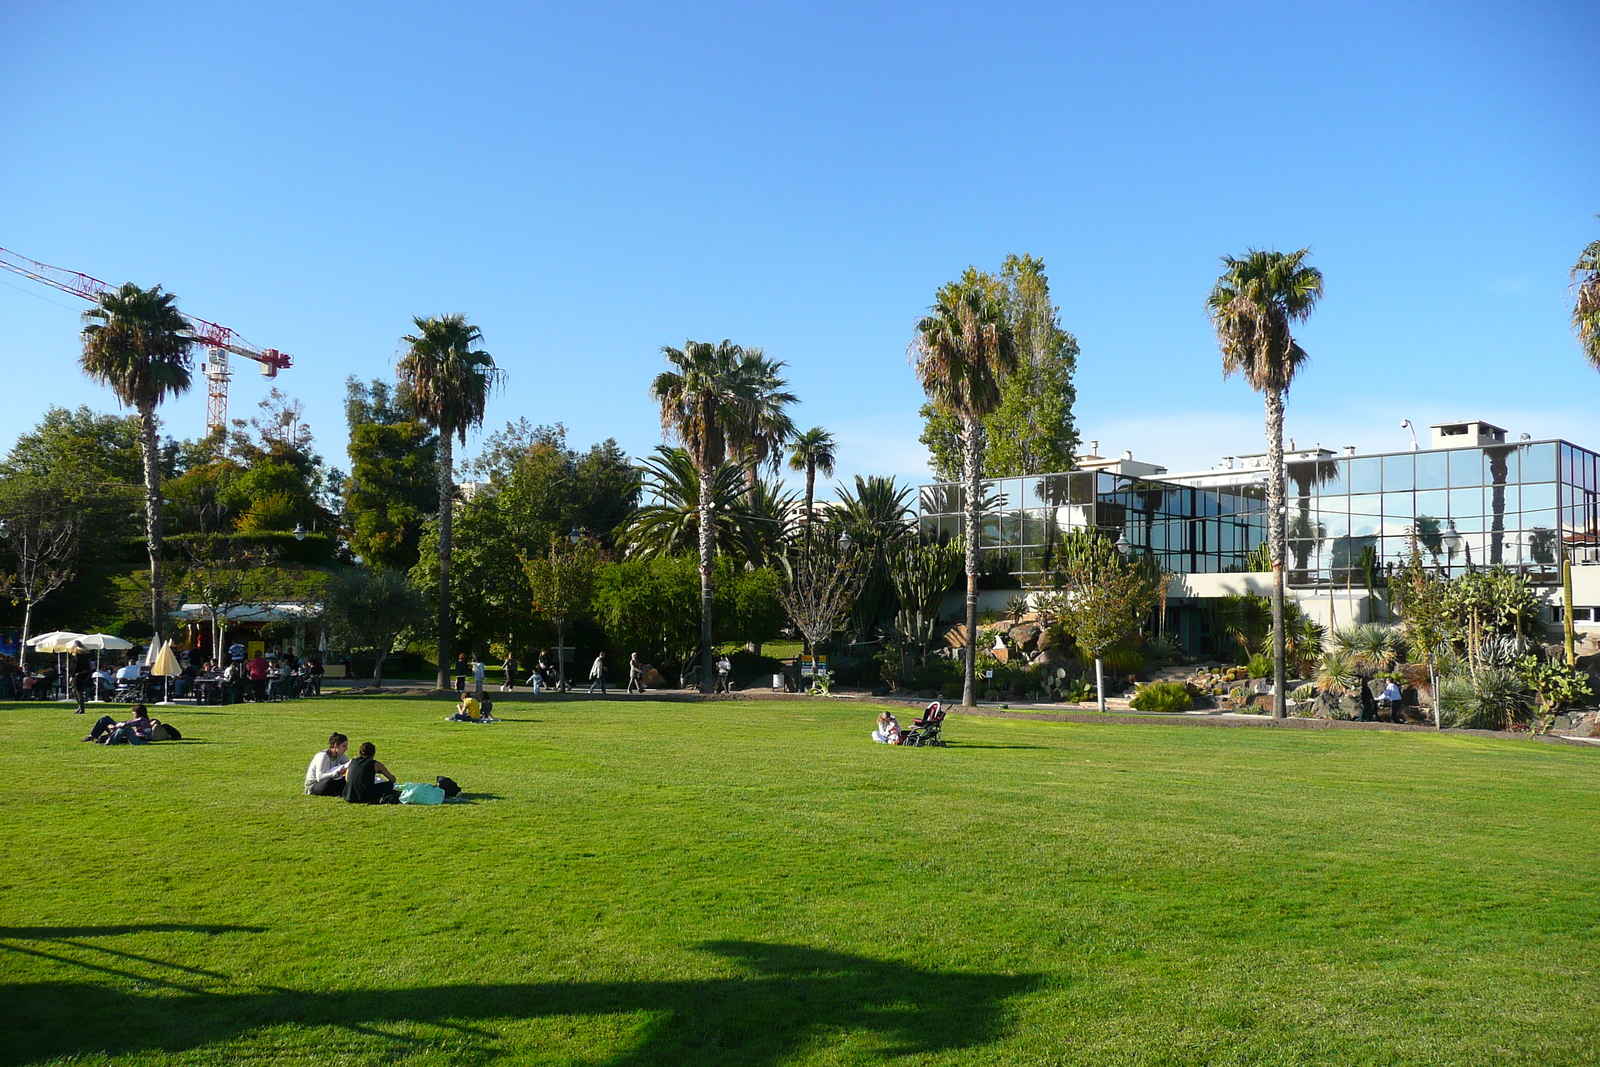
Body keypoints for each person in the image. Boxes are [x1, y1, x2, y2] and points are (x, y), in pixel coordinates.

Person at [83, 704, 158, 745]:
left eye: (133, 711)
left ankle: (108, 742)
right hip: (133, 736)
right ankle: (92, 736)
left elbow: (127, 724)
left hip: (138, 739)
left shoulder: (142, 720)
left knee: (125, 728)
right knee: (105, 719)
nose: (132, 713)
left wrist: (114, 726)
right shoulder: (143, 719)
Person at [68, 642, 92, 715]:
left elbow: (76, 667)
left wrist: (72, 675)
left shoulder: (79, 656)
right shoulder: (83, 656)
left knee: (78, 691)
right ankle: (80, 707)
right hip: (80, 675)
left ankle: (81, 708)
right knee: (75, 691)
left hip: (78, 675)